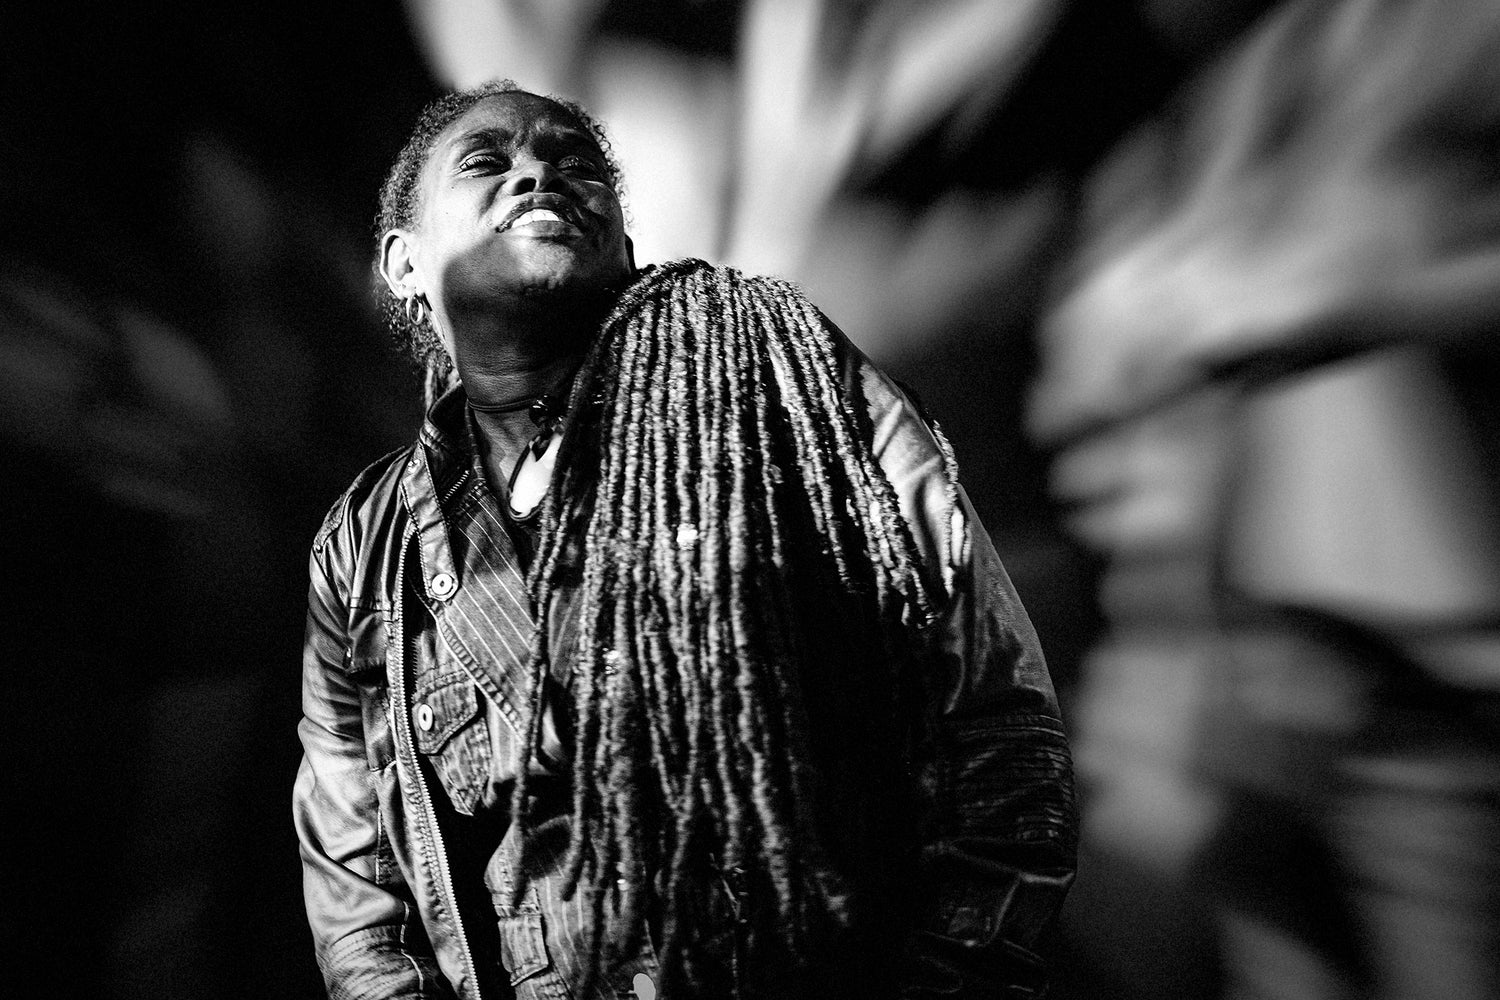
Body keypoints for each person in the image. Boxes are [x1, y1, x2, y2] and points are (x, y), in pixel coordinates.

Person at [294, 79, 1075, 1000]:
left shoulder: (774, 376)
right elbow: (359, 892)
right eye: (486, 162)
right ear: (403, 263)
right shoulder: (365, 547)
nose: (540, 173)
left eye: (576, 161)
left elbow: (997, 720)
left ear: (624, 242)